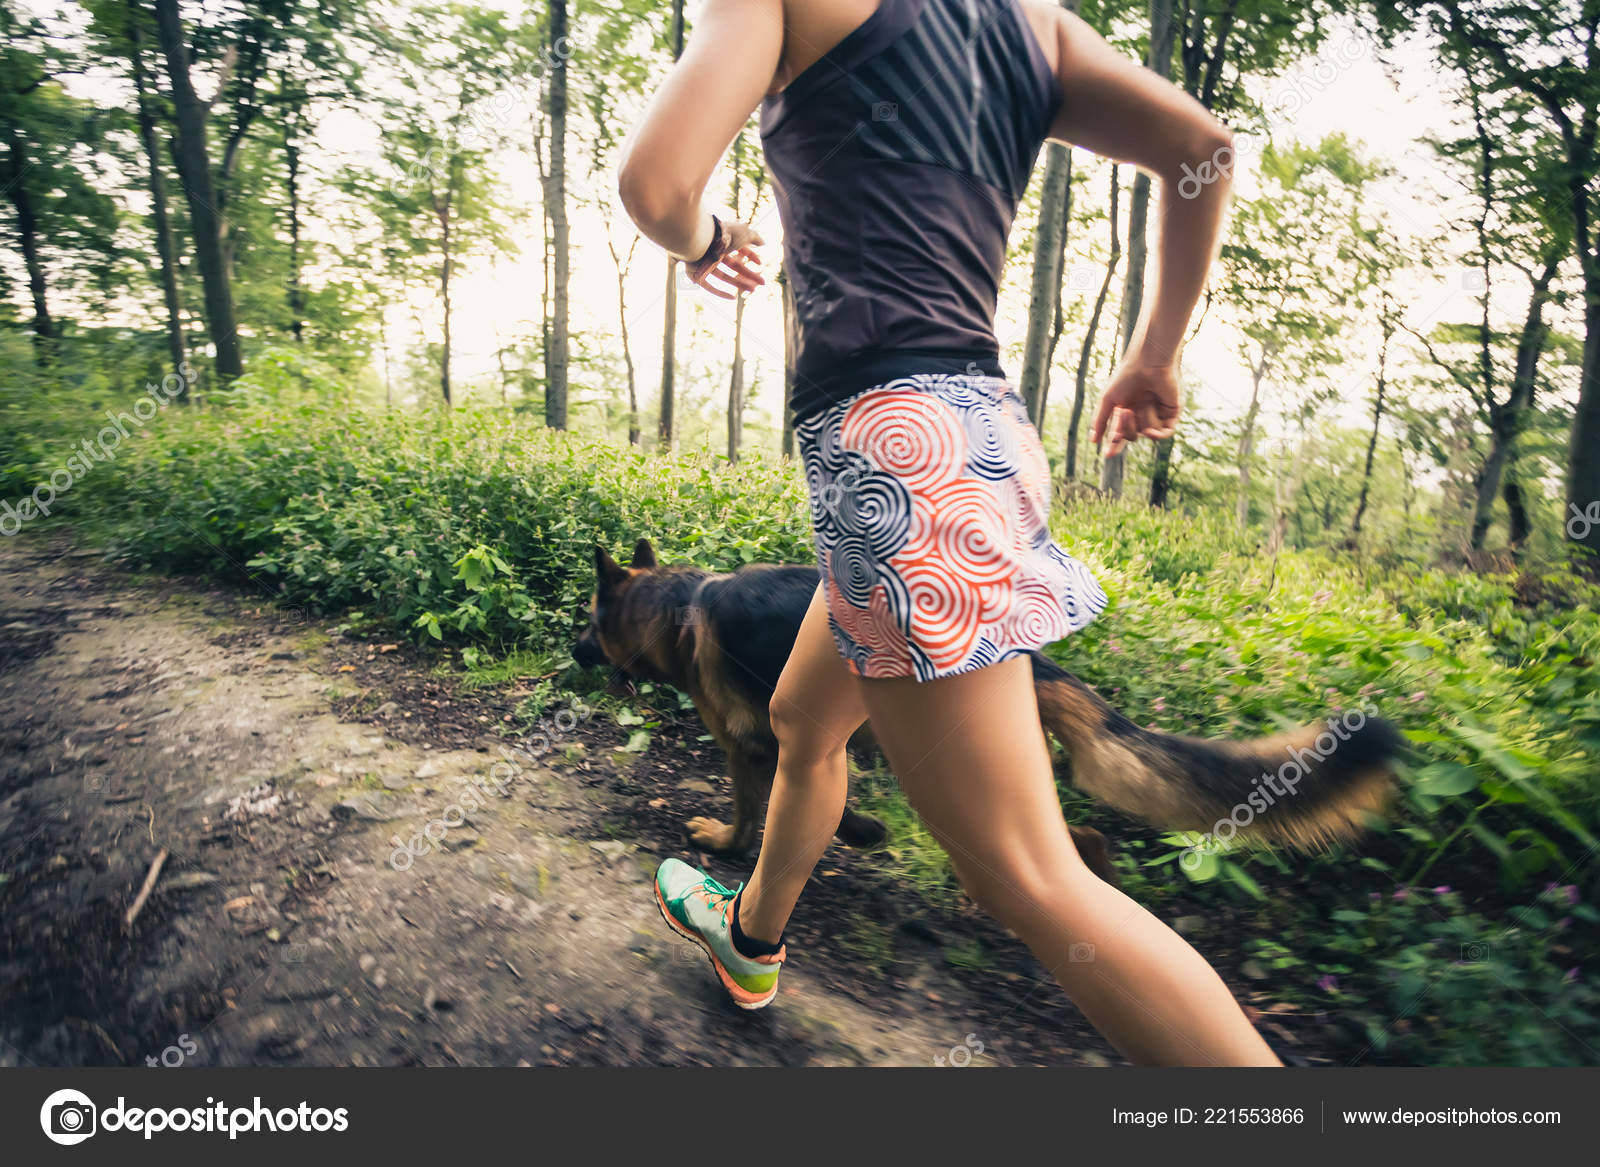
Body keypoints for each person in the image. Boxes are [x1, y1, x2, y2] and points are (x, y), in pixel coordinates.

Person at [618, 0, 1277, 1065]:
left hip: (894, 458)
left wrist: (707, 242)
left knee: (1026, 873)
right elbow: (1201, 149)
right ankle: (749, 941)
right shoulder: (1035, 25)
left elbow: (656, 186)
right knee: (800, 717)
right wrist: (1155, 352)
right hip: (980, 432)